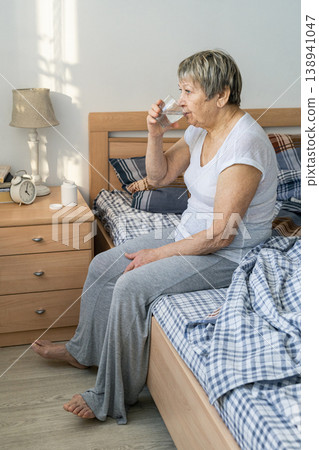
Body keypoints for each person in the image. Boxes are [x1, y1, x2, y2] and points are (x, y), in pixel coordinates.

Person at [32, 49, 277, 423]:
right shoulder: (200, 129)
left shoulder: (245, 144)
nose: (180, 101)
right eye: (181, 90)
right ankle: (84, 352)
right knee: (104, 264)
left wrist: (157, 255)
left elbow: (221, 235)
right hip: (190, 234)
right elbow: (159, 177)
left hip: (229, 254)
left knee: (132, 285)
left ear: (221, 95)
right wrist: (154, 134)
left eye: (189, 91)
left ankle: (110, 397)